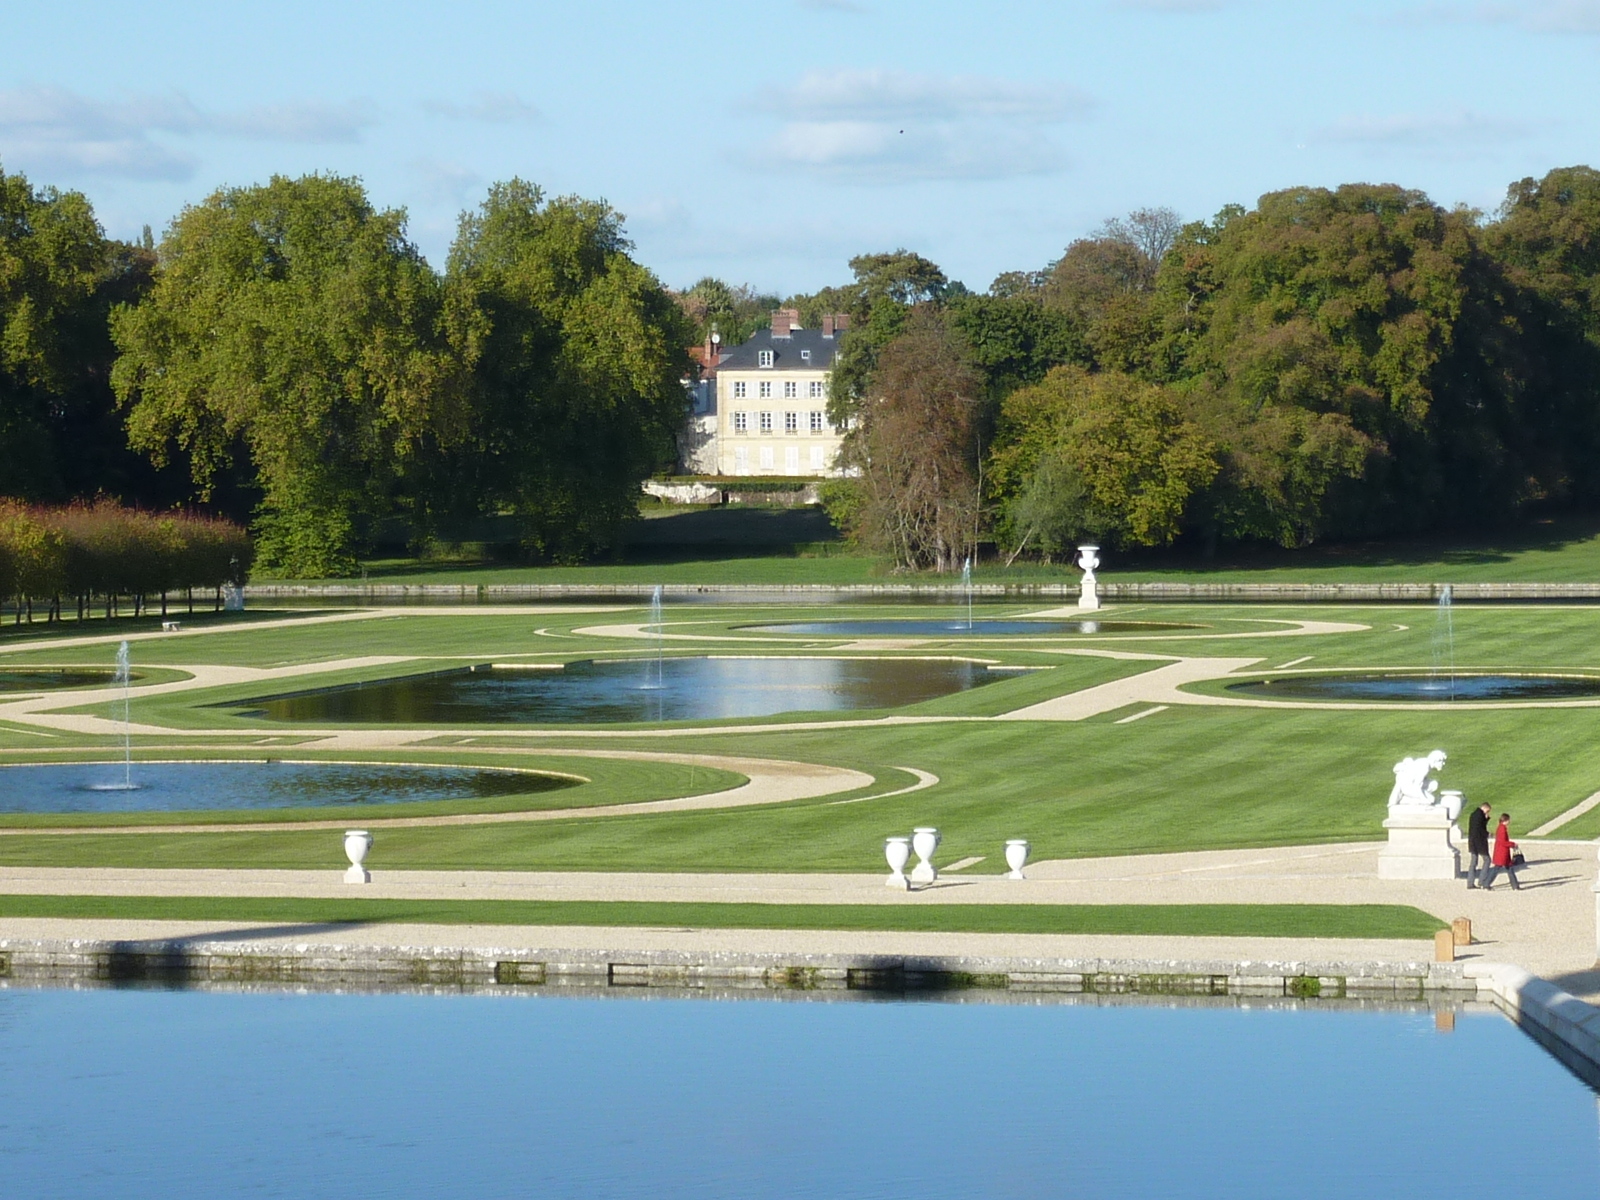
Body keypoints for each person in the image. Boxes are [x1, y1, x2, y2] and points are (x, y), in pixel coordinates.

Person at [1483, 812, 1522, 891]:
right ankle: (1486, 884)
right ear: (1506, 820)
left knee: (1509, 869)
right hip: (1502, 853)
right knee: (1497, 869)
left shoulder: (1501, 828)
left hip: (1502, 852)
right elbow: (1503, 842)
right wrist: (1513, 844)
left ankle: (1515, 886)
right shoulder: (1502, 829)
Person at [1466, 802, 1493, 889]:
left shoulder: (1474, 814)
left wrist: (1486, 819)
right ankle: (1482, 880)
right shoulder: (1479, 816)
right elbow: (1480, 829)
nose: (1487, 813)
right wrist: (1488, 834)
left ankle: (1470, 882)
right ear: (1485, 808)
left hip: (1472, 841)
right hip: (1479, 842)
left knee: (1473, 862)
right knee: (1487, 860)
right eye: (1487, 811)